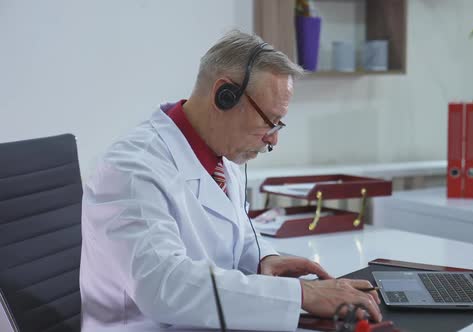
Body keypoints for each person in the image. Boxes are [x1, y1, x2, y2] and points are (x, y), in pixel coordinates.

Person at [80, 30, 382, 331]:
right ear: (224, 96)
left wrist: (265, 259)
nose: (273, 139)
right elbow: (163, 286)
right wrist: (302, 294)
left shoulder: (222, 154)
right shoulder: (132, 170)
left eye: (279, 124)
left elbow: (238, 232)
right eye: (269, 121)